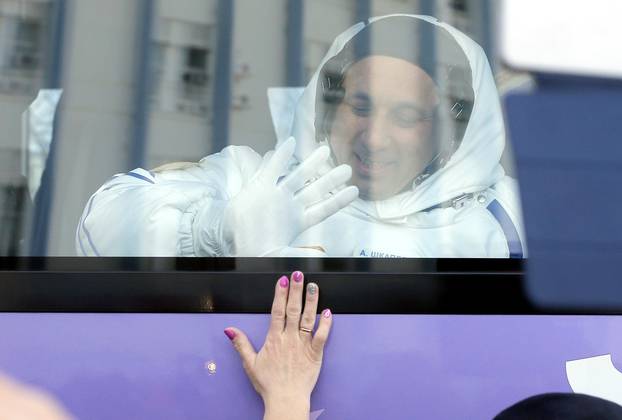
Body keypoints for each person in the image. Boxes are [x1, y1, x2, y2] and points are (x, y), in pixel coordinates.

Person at [76, 14, 524, 257]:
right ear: (329, 106)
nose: (375, 137)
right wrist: (215, 231)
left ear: (448, 136)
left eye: (406, 117)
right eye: (360, 106)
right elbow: (100, 230)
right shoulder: (262, 183)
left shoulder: (513, 219)